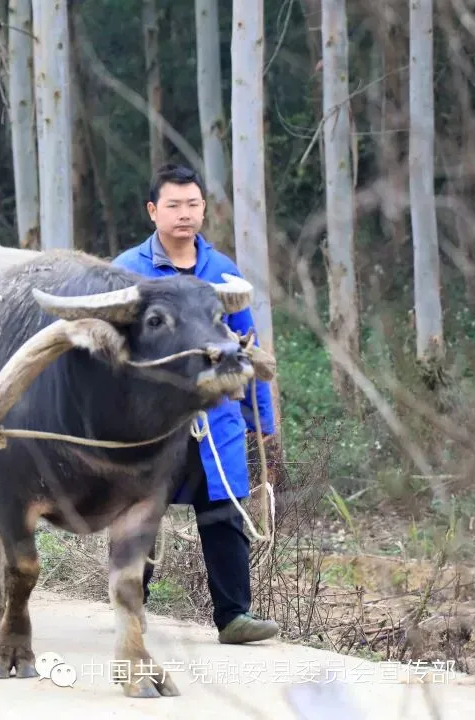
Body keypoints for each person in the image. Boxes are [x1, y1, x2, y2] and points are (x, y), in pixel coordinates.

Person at [111, 163, 280, 645]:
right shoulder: (127, 270)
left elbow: (247, 348)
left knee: (223, 509)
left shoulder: (223, 273)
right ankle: (130, 609)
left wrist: (261, 419)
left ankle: (234, 616)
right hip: (149, 423)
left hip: (215, 417)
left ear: (204, 208)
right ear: (153, 211)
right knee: (140, 512)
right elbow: (107, 351)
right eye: (173, 205)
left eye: (192, 204)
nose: (184, 214)